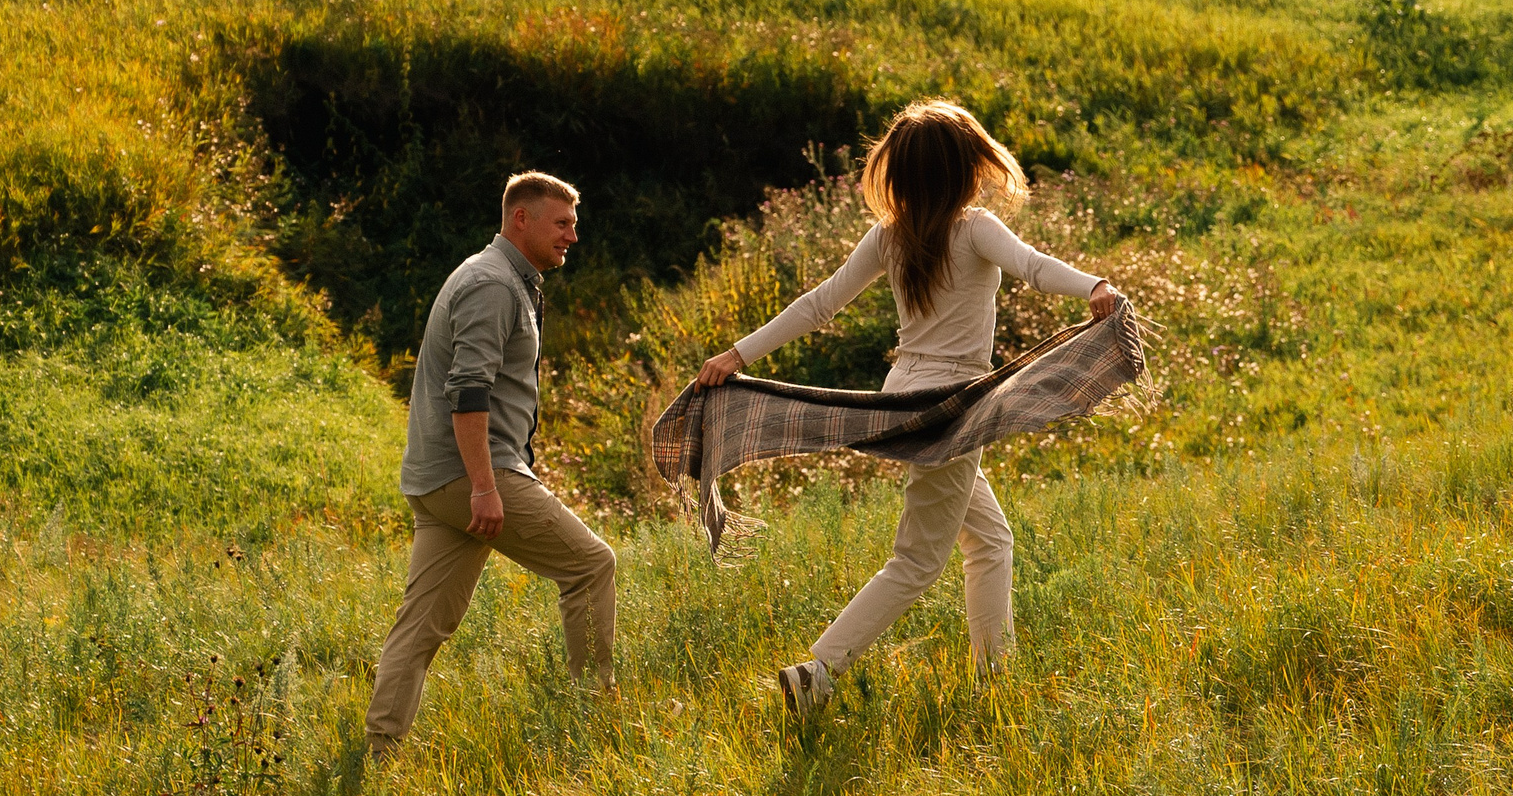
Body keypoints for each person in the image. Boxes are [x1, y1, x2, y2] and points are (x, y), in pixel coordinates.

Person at [695, 100, 1117, 712]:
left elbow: (819, 304)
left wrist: (738, 353)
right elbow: (1032, 267)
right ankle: (819, 672)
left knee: (991, 540)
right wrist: (1095, 286)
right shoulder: (973, 227)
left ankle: (995, 680)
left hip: (907, 394)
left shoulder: (889, 234)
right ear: (963, 169)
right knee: (918, 559)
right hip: (949, 404)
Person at [365, 171, 617, 758]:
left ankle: (381, 749)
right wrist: (485, 486)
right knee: (590, 565)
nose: (572, 236)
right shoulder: (492, 284)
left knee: (424, 622)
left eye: (574, 224)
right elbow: (469, 390)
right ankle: (594, 724)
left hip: (439, 477)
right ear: (519, 219)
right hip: (467, 475)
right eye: (562, 223)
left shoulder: (503, 279)